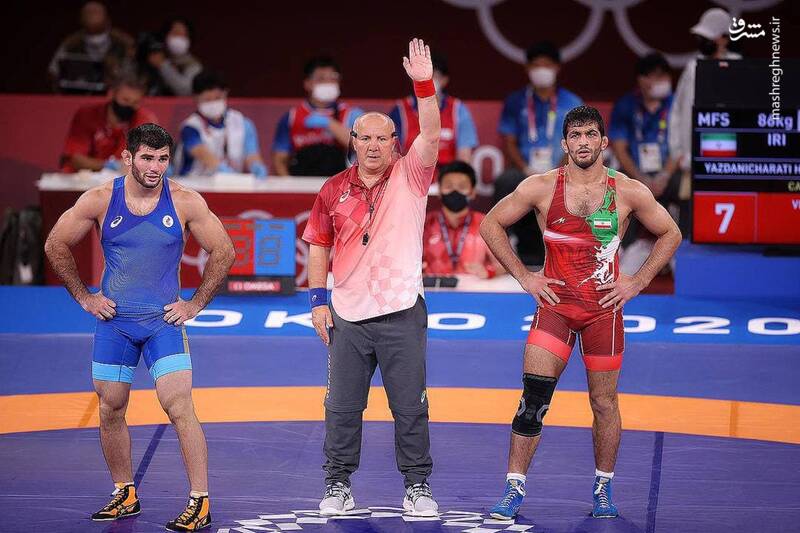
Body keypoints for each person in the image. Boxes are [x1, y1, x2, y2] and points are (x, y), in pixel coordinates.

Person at [479, 106, 681, 520]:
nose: (583, 142)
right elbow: (490, 224)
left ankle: (603, 488)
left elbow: (671, 233)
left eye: (590, 134)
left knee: (604, 403)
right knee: (533, 398)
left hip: (602, 312)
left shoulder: (628, 191)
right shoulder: (540, 187)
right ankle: (513, 488)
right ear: (565, 143)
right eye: (575, 135)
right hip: (555, 308)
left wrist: (637, 281)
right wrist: (525, 276)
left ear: (604, 141)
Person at [44, 123, 235, 531]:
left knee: (178, 405)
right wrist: (84, 297)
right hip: (115, 324)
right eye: (147, 158)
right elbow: (55, 243)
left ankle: (200, 501)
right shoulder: (100, 199)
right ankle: (124, 493)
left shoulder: (184, 201)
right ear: (128, 157)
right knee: (110, 407)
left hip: (163, 323)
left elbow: (224, 250)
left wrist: (196, 303)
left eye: (163, 159)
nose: (155, 167)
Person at [302, 38, 440, 517]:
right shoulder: (332, 189)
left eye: (384, 138)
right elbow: (318, 245)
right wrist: (317, 302)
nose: (375, 146)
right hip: (347, 315)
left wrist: (424, 85)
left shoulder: (412, 176)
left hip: (401, 311)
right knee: (341, 408)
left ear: (396, 143)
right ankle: (337, 484)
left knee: (410, 407)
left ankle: (417, 486)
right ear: (353, 142)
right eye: (366, 138)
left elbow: (432, 132)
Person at [494, 41, 583, 266]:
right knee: (506, 181)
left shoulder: (572, 102)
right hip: (524, 169)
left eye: (547, 65)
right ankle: (506, 243)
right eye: (536, 65)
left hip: (563, 169)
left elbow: (577, 142)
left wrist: (557, 170)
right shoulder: (515, 101)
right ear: (528, 68)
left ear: (557, 68)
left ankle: (574, 251)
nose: (542, 70)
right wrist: (526, 169)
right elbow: (509, 142)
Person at [609, 52, 680, 272]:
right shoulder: (626, 105)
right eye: (655, 76)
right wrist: (640, 179)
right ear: (642, 79)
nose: (662, 81)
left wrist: (664, 176)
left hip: (669, 173)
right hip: (636, 172)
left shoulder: (677, 105)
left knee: (685, 186)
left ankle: (680, 252)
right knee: (623, 187)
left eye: (664, 76)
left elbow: (681, 146)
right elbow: (619, 148)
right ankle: (624, 249)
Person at [669, 7, 740, 218]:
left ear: (724, 39)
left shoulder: (738, 67)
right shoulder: (693, 68)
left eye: (708, 37)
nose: (703, 41)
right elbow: (677, 112)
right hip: (691, 162)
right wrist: (677, 152)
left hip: (726, 160)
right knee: (689, 219)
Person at [271, 56, 363, 177]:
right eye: (321, 79)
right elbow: (280, 160)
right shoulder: (291, 118)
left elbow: (361, 146)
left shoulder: (352, 114)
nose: (328, 83)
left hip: (341, 181)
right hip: (301, 181)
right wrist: (288, 184)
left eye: (333, 78)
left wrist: (329, 123)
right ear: (307, 83)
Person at [389, 53, 478, 169]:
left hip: (446, 176)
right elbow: (392, 155)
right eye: (424, 75)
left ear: (444, 80)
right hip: (410, 175)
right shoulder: (400, 111)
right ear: (413, 79)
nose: (428, 80)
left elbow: (464, 160)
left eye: (433, 76)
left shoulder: (458, 110)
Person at [177, 70, 268, 177]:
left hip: (231, 182)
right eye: (207, 100)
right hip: (194, 182)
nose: (213, 103)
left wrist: (256, 165)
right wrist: (221, 169)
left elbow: (252, 154)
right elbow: (203, 155)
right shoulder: (190, 127)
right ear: (196, 98)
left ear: (225, 93)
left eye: (217, 98)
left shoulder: (242, 123)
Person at [61, 73, 157, 172]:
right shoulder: (87, 116)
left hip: (123, 179)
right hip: (84, 177)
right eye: (125, 100)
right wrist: (107, 166)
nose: (129, 106)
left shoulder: (144, 121)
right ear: (111, 94)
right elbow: (75, 159)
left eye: (135, 102)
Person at [423, 161, 502, 278]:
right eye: (449, 186)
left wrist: (490, 271)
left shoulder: (486, 224)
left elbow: (507, 265)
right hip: (434, 288)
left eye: (462, 187)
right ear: (439, 191)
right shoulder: (425, 224)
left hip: (473, 288)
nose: (455, 191)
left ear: (473, 192)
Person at [48, 1, 135, 94]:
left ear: (108, 20)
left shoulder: (124, 43)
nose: (92, 14)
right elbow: (53, 72)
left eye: (96, 12)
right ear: (81, 19)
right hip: (78, 96)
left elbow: (137, 75)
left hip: (116, 95)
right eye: (89, 12)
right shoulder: (71, 43)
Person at [140, 17, 203, 96]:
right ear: (165, 36)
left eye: (185, 35)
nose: (180, 38)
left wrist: (163, 65)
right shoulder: (150, 55)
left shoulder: (193, 64)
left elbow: (185, 90)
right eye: (176, 33)